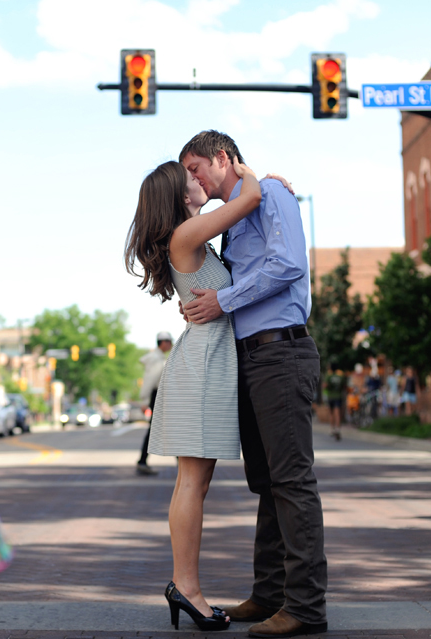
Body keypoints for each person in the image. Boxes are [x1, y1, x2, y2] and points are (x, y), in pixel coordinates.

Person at [180, 130, 327, 638]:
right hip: (250, 359)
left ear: (223, 157)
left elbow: (288, 265)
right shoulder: (236, 215)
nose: (194, 179)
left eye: (196, 168)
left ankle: (306, 607)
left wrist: (222, 301)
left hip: (281, 352)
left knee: (292, 482)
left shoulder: (273, 194)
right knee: (266, 484)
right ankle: (269, 595)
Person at [125, 155, 272, 632]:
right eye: (190, 176)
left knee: (194, 483)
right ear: (178, 194)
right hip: (203, 365)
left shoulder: (193, 237)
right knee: (192, 483)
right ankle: (186, 587)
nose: (198, 178)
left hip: (207, 361)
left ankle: (185, 586)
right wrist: (252, 173)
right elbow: (251, 197)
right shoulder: (186, 236)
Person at [136, 331, 174, 476]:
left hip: (158, 396)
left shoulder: (158, 357)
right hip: (156, 396)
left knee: (163, 429)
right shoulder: (156, 359)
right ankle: (142, 461)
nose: (171, 344)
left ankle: (142, 461)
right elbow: (149, 380)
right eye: (169, 342)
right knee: (160, 429)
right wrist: (144, 400)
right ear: (163, 342)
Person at [323, 364, 346, 441]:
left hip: (331, 396)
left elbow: (325, 385)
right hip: (338, 396)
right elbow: (344, 386)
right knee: (337, 413)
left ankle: (332, 428)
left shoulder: (329, 376)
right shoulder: (340, 376)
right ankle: (338, 429)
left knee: (331, 413)